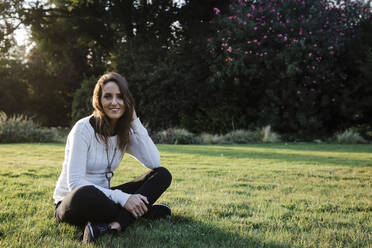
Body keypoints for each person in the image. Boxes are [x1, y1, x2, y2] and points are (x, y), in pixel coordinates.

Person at [53, 72, 172, 244]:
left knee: (162, 174)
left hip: (105, 198)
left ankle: (115, 225)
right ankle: (143, 212)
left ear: (127, 101)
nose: (114, 102)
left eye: (120, 97)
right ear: (98, 101)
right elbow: (76, 183)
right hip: (72, 201)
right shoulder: (82, 130)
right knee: (85, 193)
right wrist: (124, 198)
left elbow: (154, 162)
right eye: (108, 96)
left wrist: (134, 121)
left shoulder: (124, 132)